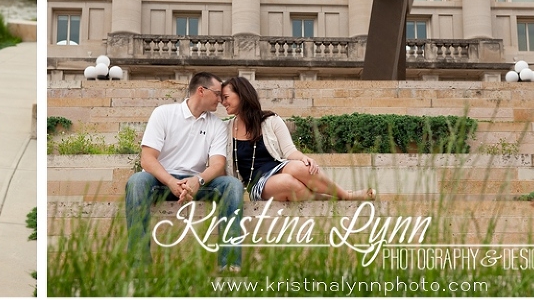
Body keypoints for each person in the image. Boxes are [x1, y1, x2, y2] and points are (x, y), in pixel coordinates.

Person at [125, 72, 244, 272]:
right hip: (160, 181)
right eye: (217, 94)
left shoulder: (216, 124)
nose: (220, 100)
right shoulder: (163, 113)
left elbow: (217, 164)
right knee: (136, 181)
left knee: (233, 185)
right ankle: (139, 264)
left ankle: (229, 263)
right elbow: (147, 159)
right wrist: (171, 181)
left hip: (196, 184)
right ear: (201, 91)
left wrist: (198, 180)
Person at [221, 76, 376, 202]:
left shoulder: (270, 120)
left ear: (241, 94)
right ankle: (328, 197)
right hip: (257, 184)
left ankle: (346, 195)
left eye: (226, 97)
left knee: (300, 167)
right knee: (287, 183)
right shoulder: (226, 129)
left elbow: (289, 151)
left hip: (278, 167)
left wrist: (304, 158)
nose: (223, 102)